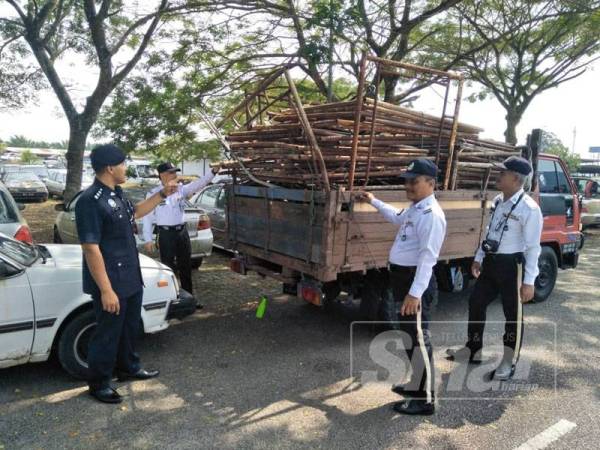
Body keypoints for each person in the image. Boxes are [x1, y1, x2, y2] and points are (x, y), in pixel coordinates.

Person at [75, 144, 178, 404]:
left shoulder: (117, 193)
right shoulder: (90, 201)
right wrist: (106, 290)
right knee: (107, 334)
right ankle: (99, 384)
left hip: (130, 276)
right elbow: (90, 248)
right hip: (110, 281)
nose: (125, 168)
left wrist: (162, 194)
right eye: (122, 164)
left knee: (129, 328)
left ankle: (128, 368)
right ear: (110, 168)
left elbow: (137, 212)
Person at [357, 159, 447, 416]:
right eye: (407, 180)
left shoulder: (431, 215)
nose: (408, 185)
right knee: (409, 338)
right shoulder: (416, 208)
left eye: (414, 181)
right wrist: (373, 200)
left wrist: (414, 293)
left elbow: (428, 258)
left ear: (430, 183)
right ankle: (417, 386)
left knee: (418, 339)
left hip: (413, 283)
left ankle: (426, 400)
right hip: (402, 280)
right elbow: (396, 218)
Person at [446, 156, 543, 381]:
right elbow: (491, 232)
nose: (499, 176)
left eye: (503, 173)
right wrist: (479, 257)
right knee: (476, 302)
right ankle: (473, 349)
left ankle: (509, 362)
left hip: (512, 266)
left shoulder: (529, 209)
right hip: (491, 263)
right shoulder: (499, 200)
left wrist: (529, 281)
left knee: (513, 316)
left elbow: (533, 248)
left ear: (516, 179)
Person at [142, 162, 219, 296]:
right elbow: (147, 218)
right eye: (172, 172)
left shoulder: (181, 189)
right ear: (162, 175)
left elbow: (200, 183)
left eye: (175, 172)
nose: (175, 175)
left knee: (185, 266)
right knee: (168, 268)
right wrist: (148, 239)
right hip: (166, 234)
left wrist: (213, 172)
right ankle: (172, 298)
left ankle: (189, 297)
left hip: (182, 233)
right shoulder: (154, 194)